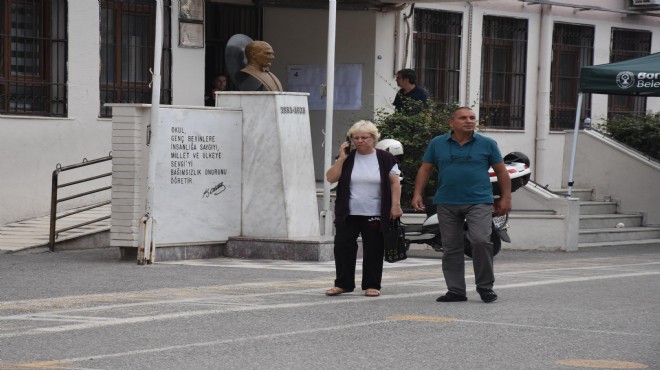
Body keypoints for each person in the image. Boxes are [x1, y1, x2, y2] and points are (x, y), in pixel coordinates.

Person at [411, 107, 511, 303]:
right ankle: (456, 290)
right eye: (463, 118)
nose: (469, 121)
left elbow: (501, 172)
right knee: (451, 247)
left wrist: (506, 197)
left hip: (479, 200)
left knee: (480, 240)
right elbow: (425, 169)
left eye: (472, 118)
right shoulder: (437, 143)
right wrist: (417, 194)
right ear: (451, 122)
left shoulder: (487, 144)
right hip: (447, 201)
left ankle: (485, 287)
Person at [325, 120, 403, 298]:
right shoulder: (348, 158)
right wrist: (342, 159)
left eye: (364, 137)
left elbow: (395, 183)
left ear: (374, 138)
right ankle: (343, 284)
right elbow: (331, 178)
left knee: (374, 248)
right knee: (343, 246)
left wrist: (395, 205)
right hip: (348, 212)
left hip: (375, 212)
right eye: (356, 138)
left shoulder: (385, 158)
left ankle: (372, 284)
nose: (360, 141)